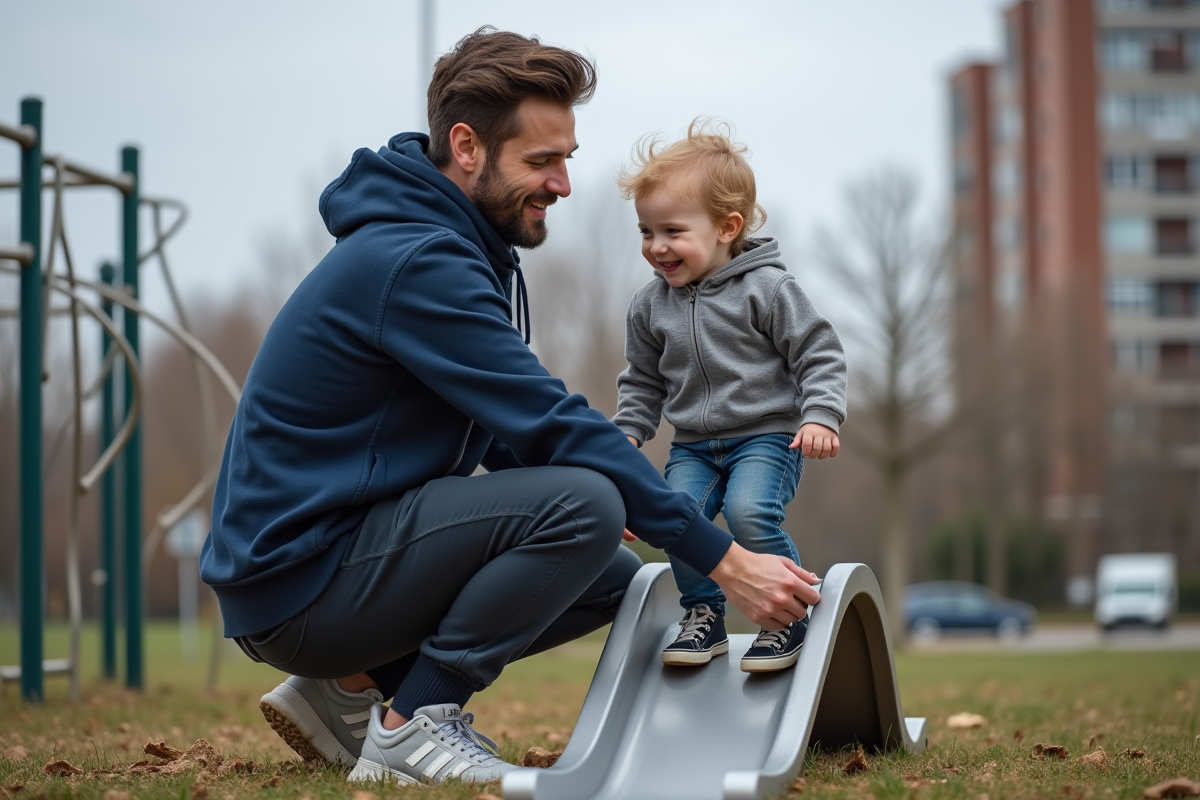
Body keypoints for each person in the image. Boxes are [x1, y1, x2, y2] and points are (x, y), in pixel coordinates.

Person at [199, 30, 821, 787]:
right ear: (467, 147)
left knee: (612, 576)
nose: (563, 183)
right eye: (541, 160)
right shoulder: (418, 260)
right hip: (301, 582)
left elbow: (504, 431)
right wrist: (725, 559)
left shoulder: (448, 245)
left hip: (321, 570)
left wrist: (629, 500)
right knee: (584, 505)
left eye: (567, 158)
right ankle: (413, 723)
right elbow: (549, 422)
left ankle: (348, 688)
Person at [613, 122, 846, 673]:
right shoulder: (649, 306)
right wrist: (626, 435)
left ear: (727, 227)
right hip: (693, 446)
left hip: (766, 438)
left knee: (748, 512)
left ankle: (786, 616)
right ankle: (704, 615)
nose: (656, 246)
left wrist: (821, 415)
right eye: (646, 231)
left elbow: (819, 352)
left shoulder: (768, 289)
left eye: (672, 230)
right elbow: (642, 381)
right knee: (676, 518)